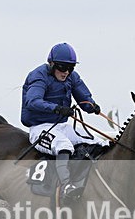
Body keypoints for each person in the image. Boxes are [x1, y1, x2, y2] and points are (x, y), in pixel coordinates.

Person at [21, 42, 105, 200]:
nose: (66, 72)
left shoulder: (72, 77)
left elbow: (84, 99)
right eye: (62, 67)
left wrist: (92, 106)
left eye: (70, 68)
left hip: (62, 126)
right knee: (64, 145)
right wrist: (57, 108)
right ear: (51, 64)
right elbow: (32, 101)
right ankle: (66, 186)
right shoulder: (38, 76)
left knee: (99, 142)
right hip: (39, 128)